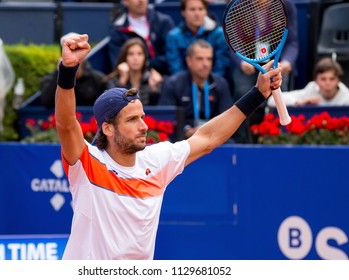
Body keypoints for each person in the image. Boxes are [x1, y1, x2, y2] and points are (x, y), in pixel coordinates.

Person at [55, 33, 281, 260]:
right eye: (132, 120)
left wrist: (257, 94)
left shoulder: (156, 160)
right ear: (108, 129)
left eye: (142, 117)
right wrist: (68, 70)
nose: (143, 126)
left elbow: (208, 138)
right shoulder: (87, 163)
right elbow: (66, 124)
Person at [230, 0, 298, 142]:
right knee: (243, 93)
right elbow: (233, 41)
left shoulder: (286, 4)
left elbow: (291, 41)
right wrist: (241, 62)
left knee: (280, 92)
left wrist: (287, 61)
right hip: (248, 62)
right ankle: (245, 141)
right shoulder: (238, 6)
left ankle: (278, 140)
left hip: (275, 59)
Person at [159, 39, 233, 139]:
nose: (205, 64)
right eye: (200, 59)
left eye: (209, 59)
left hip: (214, 139)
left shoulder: (220, 84)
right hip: (182, 141)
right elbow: (166, 121)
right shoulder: (173, 84)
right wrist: (187, 131)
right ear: (189, 60)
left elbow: (227, 120)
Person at [108, 0, 175, 75]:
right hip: (135, 81)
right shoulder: (118, 30)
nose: (141, 1)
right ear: (125, 1)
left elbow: (172, 56)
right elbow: (118, 64)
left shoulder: (164, 22)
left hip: (166, 77)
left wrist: (150, 65)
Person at [39, 33, 106, 108]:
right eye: (68, 50)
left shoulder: (98, 79)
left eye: (78, 50)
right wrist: (60, 73)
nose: (73, 54)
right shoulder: (49, 78)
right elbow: (46, 101)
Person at [165, 0, 230, 78]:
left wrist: (209, 85)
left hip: (214, 86)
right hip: (184, 87)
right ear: (183, 12)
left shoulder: (219, 34)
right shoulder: (173, 37)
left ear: (206, 11)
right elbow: (175, 69)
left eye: (200, 9)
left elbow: (221, 67)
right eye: (192, 9)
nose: (197, 14)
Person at [267, 57, 349, 107]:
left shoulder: (346, 96)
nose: (328, 83)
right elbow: (272, 101)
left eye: (332, 79)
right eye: (323, 79)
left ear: (338, 80)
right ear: (316, 81)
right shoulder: (311, 89)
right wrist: (300, 103)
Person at [104, 38, 163, 106]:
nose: (135, 58)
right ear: (125, 57)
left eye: (139, 54)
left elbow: (157, 111)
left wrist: (154, 90)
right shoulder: (112, 80)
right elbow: (112, 106)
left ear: (145, 58)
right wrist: (122, 82)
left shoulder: (152, 79)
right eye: (131, 54)